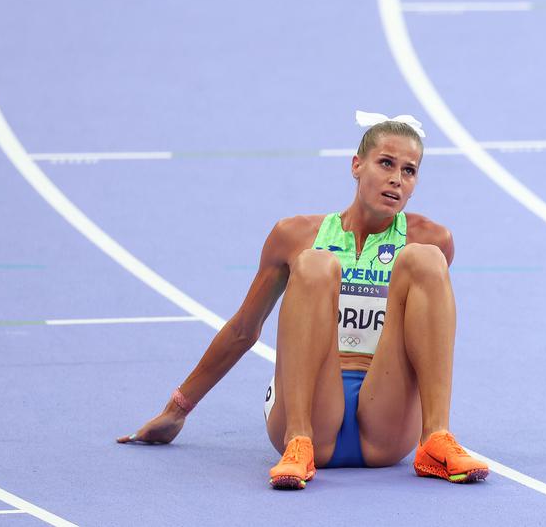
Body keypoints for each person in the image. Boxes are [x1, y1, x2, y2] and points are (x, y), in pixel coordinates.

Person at [117, 112, 488, 489]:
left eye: (409, 171)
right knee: (314, 264)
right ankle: (299, 442)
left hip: (385, 419)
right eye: (386, 163)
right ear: (357, 166)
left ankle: (436, 438)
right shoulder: (293, 235)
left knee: (425, 258)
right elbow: (245, 328)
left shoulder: (432, 238)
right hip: (312, 408)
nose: (396, 178)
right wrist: (177, 410)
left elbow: (425, 334)